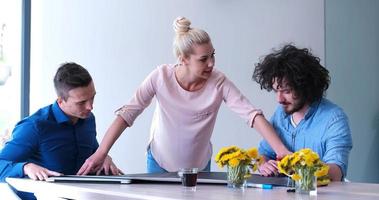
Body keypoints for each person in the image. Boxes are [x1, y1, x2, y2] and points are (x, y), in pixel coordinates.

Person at [77, 17, 290, 175]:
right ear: (183, 59)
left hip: (199, 165)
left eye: (213, 55)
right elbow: (127, 114)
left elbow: (252, 115)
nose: (211, 63)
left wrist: (281, 150)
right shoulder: (160, 77)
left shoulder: (218, 82)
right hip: (159, 163)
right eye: (203, 59)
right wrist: (101, 152)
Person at [0, 63, 122, 199]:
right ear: (60, 101)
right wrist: (25, 167)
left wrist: (103, 157)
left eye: (92, 97)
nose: (90, 106)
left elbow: (92, 154)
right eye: (81, 102)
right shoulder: (34, 126)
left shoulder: (88, 120)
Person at [252, 44, 353, 181]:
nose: (279, 99)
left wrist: (301, 168)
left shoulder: (334, 119)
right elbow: (264, 154)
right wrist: (264, 165)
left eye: (286, 91)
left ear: (305, 86)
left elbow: (336, 172)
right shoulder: (280, 115)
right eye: (276, 91)